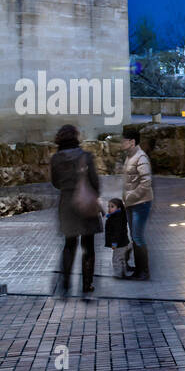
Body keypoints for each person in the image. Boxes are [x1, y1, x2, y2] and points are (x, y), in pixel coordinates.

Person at [50, 124, 100, 297]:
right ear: (76, 137)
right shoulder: (85, 157)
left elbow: (55, 182)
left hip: (66, 204)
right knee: (88, 246)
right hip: (85, 203)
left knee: (69, 245)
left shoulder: (55, 159)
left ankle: (66, 283)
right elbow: (95, 182)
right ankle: (86, 285)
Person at [119, 124, 153, 280]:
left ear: (132, 142)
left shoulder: (141, 157)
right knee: (134, 236)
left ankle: (144, 271)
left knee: (138, 236)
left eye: (123, 141)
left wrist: (131, 196)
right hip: (131, 203)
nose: (121, 143)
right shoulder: (130, 155)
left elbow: (146, 182)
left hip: (141, 203)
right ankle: (138, 269)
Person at [104, 198, 131, 278]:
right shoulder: (118, 216)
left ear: (119, 208)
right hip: (123, 242)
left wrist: (114, 243)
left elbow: (117, 233)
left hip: (119, 244)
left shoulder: (116, 219)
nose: (109, 208)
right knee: (121, 258)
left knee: (116, 259)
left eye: (112, 207)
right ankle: (122, 272)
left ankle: (118, 274)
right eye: (108, 206)